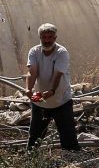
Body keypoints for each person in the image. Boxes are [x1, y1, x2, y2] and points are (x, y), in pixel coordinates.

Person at [26, 23, 80, 151]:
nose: (47, 40)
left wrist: (51, 91)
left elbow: (58, 75)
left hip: (61, 101)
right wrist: (28, 89)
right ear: (40, 38)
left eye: (50, 37)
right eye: (44, 37)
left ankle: (72, 160)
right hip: (40, 101)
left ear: (55, 38)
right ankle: (31, 159)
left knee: (68, 136)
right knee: (35, 136)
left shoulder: (61, 52)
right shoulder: (34, 51)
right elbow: (32, 72)